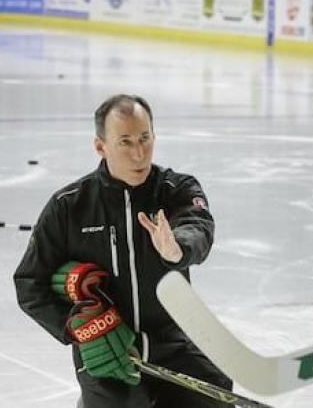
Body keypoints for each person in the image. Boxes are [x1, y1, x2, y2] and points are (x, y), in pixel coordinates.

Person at [14, 94, 232, 407]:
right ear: (101, 146)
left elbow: (197, 227)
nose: (139, 153)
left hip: (172, 343)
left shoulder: (176, 189)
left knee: (217, 394)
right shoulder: (69, 206)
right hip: (109, 353)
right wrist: (80, 328)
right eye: (126, 142)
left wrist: (176, 249)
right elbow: (29, 283)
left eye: (145, 138)